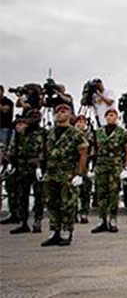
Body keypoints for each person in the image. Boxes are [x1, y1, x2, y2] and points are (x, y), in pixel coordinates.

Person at [40, 104, 88, 247]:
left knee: (68, 204)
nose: (60, 114)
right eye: (58, 111)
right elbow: (44, 153)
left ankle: (67, 231)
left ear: (69, 114)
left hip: (68, 173)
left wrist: (80, 174)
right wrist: (41, 169)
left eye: (63, 111)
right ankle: (54, 231)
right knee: (51, 203)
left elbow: (83, 154)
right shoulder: (50, 133)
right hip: (51, 172)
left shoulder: (76, 133)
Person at [4, 110, 46, 232]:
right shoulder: (21, 133)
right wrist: (11, 163)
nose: (33, 119)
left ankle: (37, 221)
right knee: (22, 196)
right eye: (31, 117)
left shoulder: (44, 133)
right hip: (22, 167)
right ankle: (23, 222)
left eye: (36, 117)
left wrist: (40, 166)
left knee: (39, 196)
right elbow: (14, 149)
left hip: (38, 168)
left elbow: (46, 150)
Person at [91, 108, 127, 233]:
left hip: (115, 165)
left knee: (114, 192)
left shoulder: (122, 132)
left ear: (117, 117)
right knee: (101, 193)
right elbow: (94, 150)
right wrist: (92, 167)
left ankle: (113, 218)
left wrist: (126, 166)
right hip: (101, 165)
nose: (110, 117)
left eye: (112, 115)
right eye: (107, 115)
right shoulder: (98, 132)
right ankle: (102, 219)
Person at [73, 114, 95, 224]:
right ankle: (74, 213)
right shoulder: (71, 134)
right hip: (72, 166)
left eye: (82, 122)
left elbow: (93, 151)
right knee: (72, 192)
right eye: (78, 122)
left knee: (85, 191)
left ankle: (84, 212)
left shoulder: (90, 135)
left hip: (85, 166)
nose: (80, 124)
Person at [0, 86, 13, 151]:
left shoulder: (7, 101)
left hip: (4, 127)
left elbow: (5, 110)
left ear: (2, 91)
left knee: (3, 147)